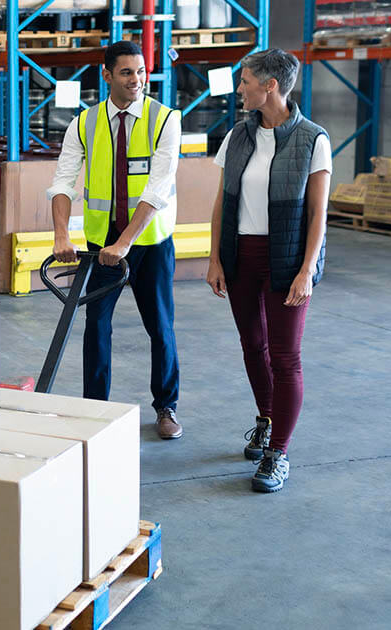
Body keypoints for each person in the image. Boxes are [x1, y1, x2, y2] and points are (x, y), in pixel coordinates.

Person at [206, 48, 331, 493]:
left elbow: (318, 215)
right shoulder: (237, 136)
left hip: (287, 259)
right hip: (242, 256)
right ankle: (267, 418)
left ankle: (279, 451)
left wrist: (305, 270)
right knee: (252, 346)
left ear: (269, 85)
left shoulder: (313, 139)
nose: (240, 88)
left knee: (285, 356)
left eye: (245, 80)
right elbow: (223, 201)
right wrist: (216, 257)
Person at [47, 40, 183, 440]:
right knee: (96, 324)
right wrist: (60, 234)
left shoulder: (164, 119)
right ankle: (95, 409)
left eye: (140, 72)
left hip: (149, 244)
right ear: (106, 75)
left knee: (160, 326)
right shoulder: (84, 123)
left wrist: (125, 242)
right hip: (101, 246)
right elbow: (62, 181)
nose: (136, 80)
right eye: (126, 72)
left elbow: (157, 189)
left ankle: (166, 406)